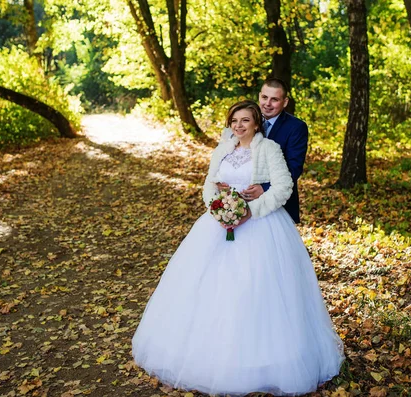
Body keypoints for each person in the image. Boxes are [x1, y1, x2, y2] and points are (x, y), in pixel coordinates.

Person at [132, 100, 344, 396]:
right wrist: (218, 209)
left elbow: (284, 187)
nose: (239, 126)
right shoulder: (224, 147)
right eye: (234, 120)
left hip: (261, 227)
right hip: (217, 226)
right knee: (206, 288)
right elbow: (209, 183)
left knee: (255, 290)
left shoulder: (269, 149)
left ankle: (264, 361)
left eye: (245, 121)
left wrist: (250, 211)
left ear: (256, 124)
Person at [220, 78, 308, 224]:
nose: (267, 103)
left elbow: (294, 168)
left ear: (285, 102)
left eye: (274, 99)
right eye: (264, 97)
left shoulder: (296, 128)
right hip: (234, 200)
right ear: (259, 96)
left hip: (275, 204)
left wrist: (264, 188)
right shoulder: (241, 122)